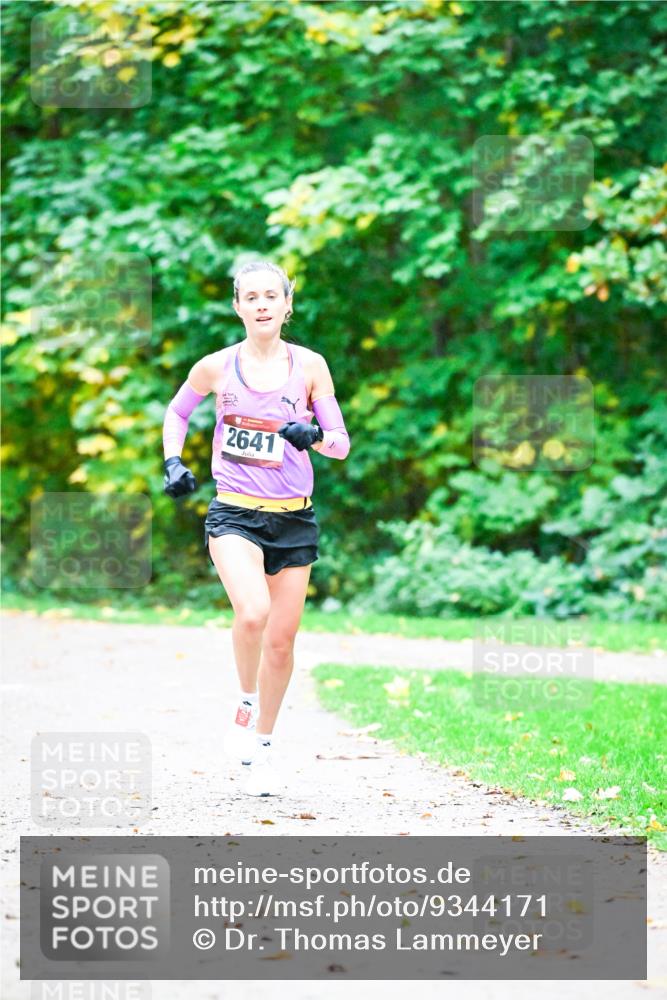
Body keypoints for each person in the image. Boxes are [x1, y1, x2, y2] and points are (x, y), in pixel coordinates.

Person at [162, 260, 350, 796]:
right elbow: (177, 414)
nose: (263, 304)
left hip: (294, 517)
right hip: (234, 512)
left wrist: (311, 434)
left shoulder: (311, 366)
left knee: (282, 644)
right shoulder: (215, 368)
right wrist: (173, 461)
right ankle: (247, 703)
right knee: (253, 613)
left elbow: (341, 443)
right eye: (253, 296)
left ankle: (262, 745)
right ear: (238, 306)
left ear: (288, 305)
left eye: (273, 295)